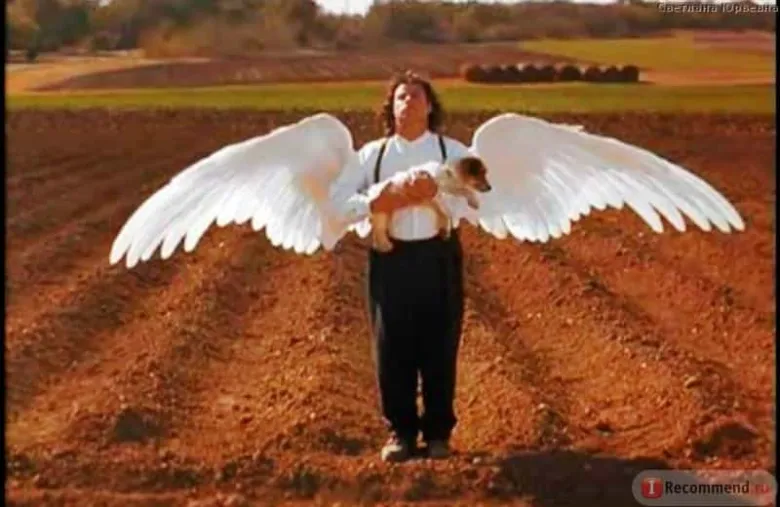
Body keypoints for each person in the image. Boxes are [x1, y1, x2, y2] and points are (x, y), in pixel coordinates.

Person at [330, 70, 471, 462]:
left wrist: (437, 195)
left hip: (438, 256)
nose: (409, 102)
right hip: (390, 257)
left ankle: (438, 433)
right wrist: (376, 202)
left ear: (430, 106)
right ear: (391, 108)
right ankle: (400, 433)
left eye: (416, 96)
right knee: (391, 346)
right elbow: (339, 202)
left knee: (440, 344)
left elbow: (473, 198)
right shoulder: (370, 156)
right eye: (401, 97)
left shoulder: (451, 151)